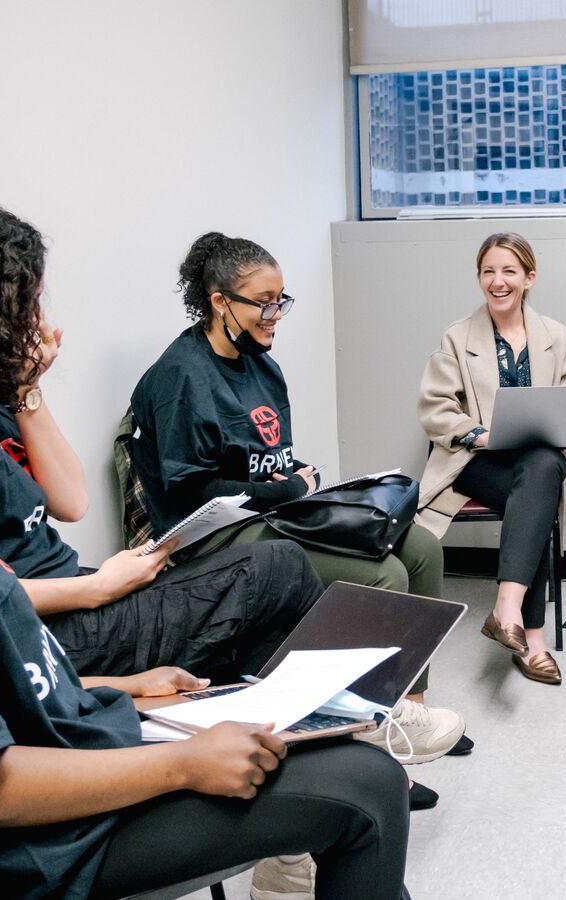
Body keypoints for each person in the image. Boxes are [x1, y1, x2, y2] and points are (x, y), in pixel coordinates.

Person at [0, 256, 409, 899]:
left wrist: (120, 689)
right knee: (365, 788)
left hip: (62, 737)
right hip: (33, 844)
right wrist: (181, 763)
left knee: (322, 751)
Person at [0, 198, 320, 688]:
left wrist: (26, 391)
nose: (38, 319)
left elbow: (70, 502)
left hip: (73, 588)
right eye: (27, 304)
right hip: (46, 623)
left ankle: (267, 721)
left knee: (253, 608)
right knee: (279, 569)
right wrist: (95, 588)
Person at [126, 232, 467, 790]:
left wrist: (298, 482)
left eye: (281, 300)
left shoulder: (263, 367)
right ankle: (369, 739)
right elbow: (190, 496)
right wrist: (281, 492)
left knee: (423, 548)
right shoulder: (181, 378)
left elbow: (270, 461)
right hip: (212, 539)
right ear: (219, 302)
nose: (274, 314)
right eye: (263, 301)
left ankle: (409, 711)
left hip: (273, 516)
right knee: (382, 574)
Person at [417, 232, 566, 685]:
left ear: (529, 278)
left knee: (543, 469)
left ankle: (507, 611)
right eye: (488, 271)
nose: (498, 281)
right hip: (475, 463)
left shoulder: (557, 337)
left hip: (533, 463)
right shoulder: (457, 337)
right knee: (539, 490)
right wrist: (478, 433)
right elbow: (435, 410)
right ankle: (533, 639)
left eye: (509, 271)